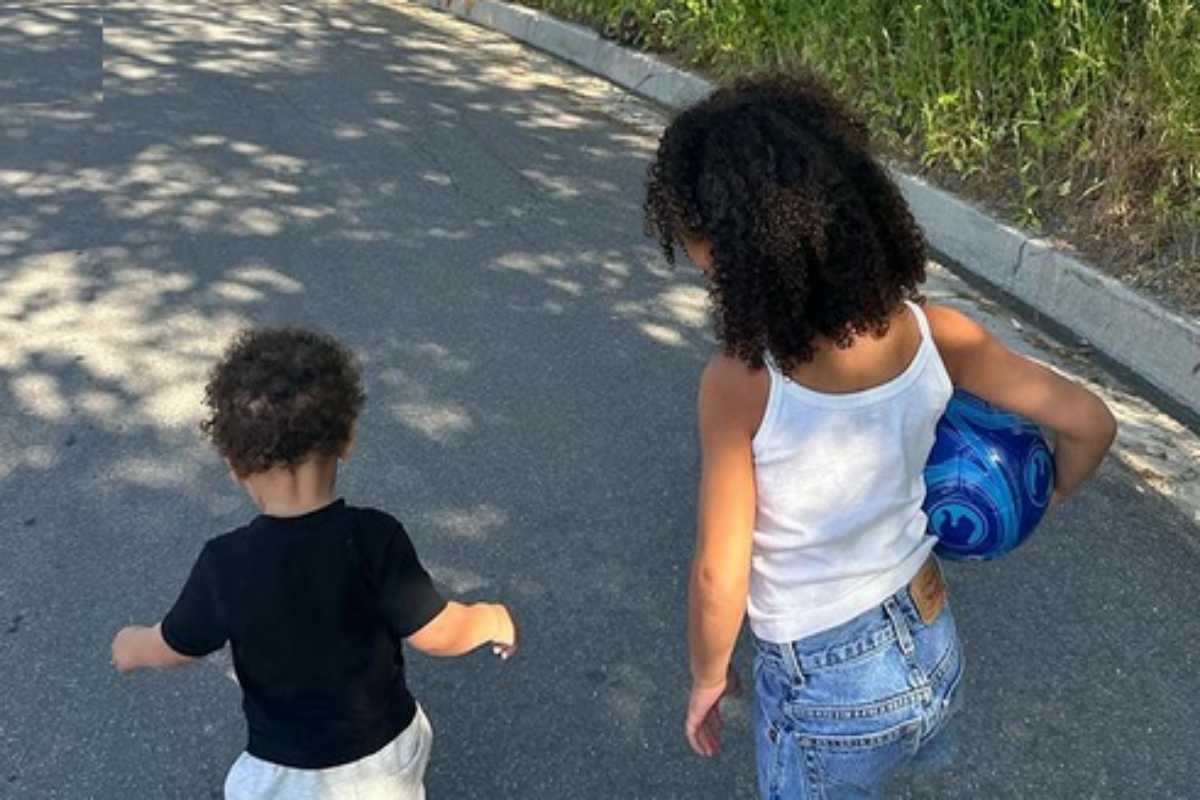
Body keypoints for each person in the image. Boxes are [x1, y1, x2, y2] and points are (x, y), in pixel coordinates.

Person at [643, 73, 1116, 798]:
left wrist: (708, 676)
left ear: (726, 251)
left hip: (829, 684)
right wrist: (1043, 494)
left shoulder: (741, 383)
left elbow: (719, 572)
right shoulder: (937, 333)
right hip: (931, 641)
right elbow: (1090, 423)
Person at [110, 327, 518, 800]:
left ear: (234, 465)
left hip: (285, 775)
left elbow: (175, 645)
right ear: (348, 439)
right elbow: (438, 632)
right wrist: (490, 617)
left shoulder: (225, 563)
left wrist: (130, 646)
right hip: (385, 757)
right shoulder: (375, 537)